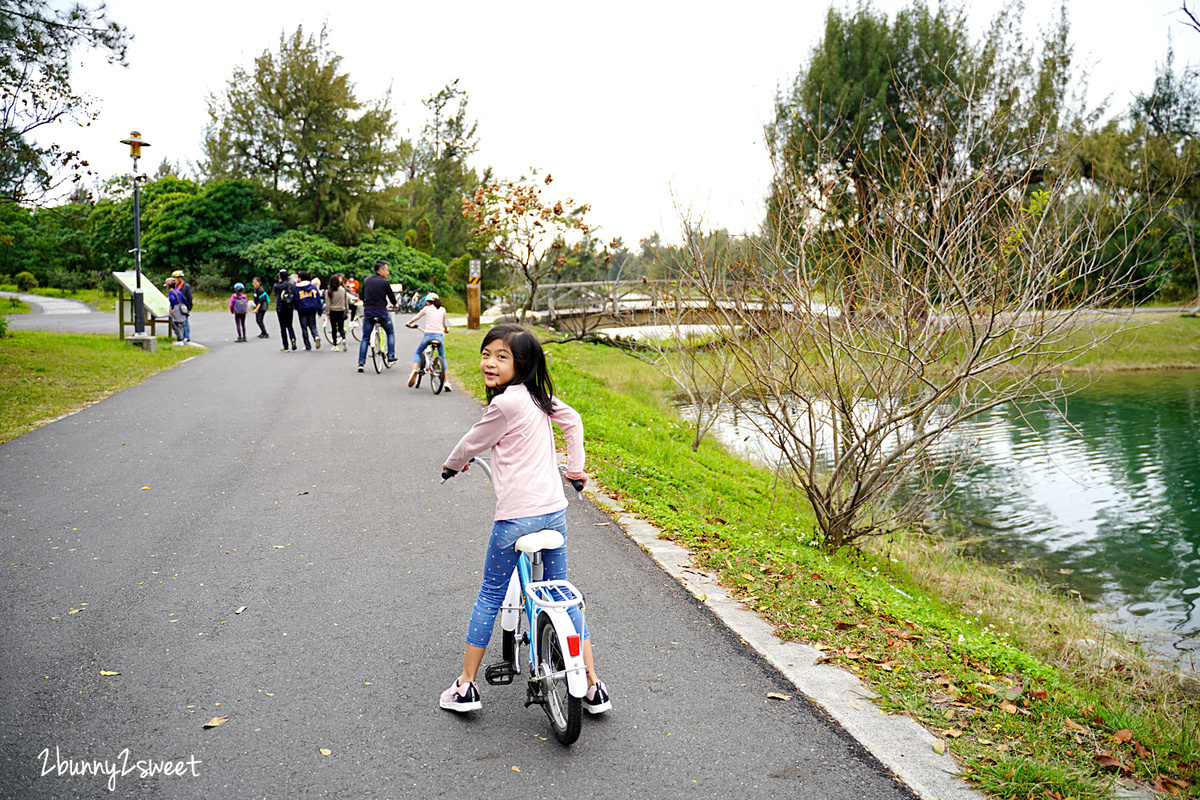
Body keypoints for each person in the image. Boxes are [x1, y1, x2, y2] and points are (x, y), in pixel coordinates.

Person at [438, 323, 610, 715]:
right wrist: (576, 470)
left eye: (502, 357)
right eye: (486, 354)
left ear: (522, 363)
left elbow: (471, 443)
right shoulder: (539, 398)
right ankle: (595, 686)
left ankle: (465, 686)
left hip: (516, 520)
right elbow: (574, 422)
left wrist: (453, 464)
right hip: (555, 513)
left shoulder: (505, 405)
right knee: (562, 595)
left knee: (490, 595)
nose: (490, 363)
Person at [357, 260, 397, 373]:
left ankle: (361, 363)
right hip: (381, 312)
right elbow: (391, 297)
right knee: (390, 332)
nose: (387, 272)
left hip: (368, 312)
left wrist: (366, 302)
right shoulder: (385, 282)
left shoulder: (366, 280)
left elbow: (362, 294)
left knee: (365, 337)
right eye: (386, 270)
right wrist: (395, 304)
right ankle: (390, 355)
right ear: (381, 270)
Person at [406, 293, 449, 388]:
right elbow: (444, 323)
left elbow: (416, 317)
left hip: (428, 335)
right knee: (442, 356)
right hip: (439, 336)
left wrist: (409, 323)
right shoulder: (442, 309)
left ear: (427, 302)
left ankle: (414, 371)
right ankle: (446, 382)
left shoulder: (427, 308)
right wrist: (445, 330)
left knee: (418, 352)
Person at [294, 271, 323, 350]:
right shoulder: (313, 287)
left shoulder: (297, 288)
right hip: (312, 309)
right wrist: (319, 310)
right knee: (313, 325)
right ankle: (316, 336)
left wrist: (296, 308)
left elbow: (296, 300)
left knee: (304, 328)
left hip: (302, 310)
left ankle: (307, 346)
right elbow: (318, 299)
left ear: (300, 278)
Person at [273, 269, 297, 352]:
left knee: (283, 327)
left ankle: (286, 346)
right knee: (290, 325)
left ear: (279, 277)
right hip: (289, 307)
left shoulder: (276, 286)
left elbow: (276, 295)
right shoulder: (291, 285)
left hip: (280, 308)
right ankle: (293, 338)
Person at [324, 274, 349, 351]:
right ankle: (344, 338)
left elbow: (327, 304)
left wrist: (327, 313)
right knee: (341, 327)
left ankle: (335, 345)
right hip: (341, 310)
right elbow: (346, 301)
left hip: (333, 311)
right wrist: (347, 311)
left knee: (334, 328)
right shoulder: (342, 290)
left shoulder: (329, 291)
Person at [171, 270, 193, 343]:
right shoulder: (175, 287)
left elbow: (190, 298)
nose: (175, 280)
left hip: (184, 307)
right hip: (178, 307)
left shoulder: (186, 287)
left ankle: (187, 336)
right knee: (179, 322)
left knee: (185, 322)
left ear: (180, 278)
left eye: (176, 278)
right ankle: (181, 337)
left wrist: (189, 308)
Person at [166, 277, 186, 342]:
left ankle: (179, 338)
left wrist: (172, 308)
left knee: (174, 323)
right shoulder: (178, 291)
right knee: (180, 324)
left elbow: (172, 299)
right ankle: (181, 338)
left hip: (175, 308)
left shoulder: (170, 292)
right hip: (180, 308)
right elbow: (184, 299)